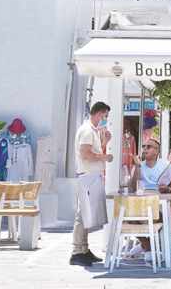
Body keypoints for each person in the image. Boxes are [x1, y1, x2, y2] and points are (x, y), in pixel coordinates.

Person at [70, 101, 113, 267]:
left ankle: (84, 250)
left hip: (92, 175)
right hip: (87, 175)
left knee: (88, 215)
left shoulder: (93, 131)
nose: (105, 119)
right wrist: (105, 157)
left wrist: (105, 144)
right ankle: (76, 251)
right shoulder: (87, 130)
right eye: (105, 116)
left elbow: (95, 151)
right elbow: (86, 154)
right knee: (82, 215)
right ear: (99, 113)